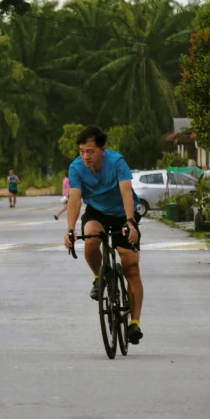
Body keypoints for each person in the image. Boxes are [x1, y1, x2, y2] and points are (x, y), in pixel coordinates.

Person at [63, 125, 144, 345]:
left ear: (102, 150)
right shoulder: (76, 167)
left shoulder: (116, 162)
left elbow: (126, 192)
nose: (85, 157)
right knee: (90, 240)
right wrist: (70, 230)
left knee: (131, 268)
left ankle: (134, 323)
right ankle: (99, 278)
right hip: (96, 212)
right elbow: (75, 199)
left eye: (90, 151)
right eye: (81, 151)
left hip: (122, 213)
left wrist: (130, 222)